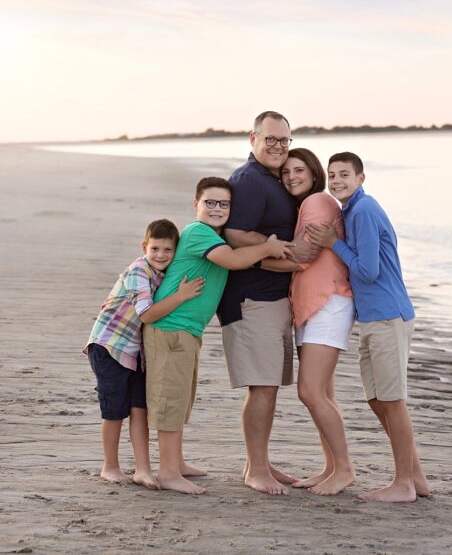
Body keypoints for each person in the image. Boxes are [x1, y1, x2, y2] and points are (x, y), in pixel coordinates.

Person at [142, 177, 290, 494]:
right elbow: (235, 261)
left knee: (182, 398)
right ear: (196, 204)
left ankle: (176, 462)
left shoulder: (214, 237)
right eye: (210, 202)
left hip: (186, 331)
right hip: (170, 327)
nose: (217, 208)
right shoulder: (198, 233)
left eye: (224, 204)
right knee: (170, 400)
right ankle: (167, 472)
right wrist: (269, 245)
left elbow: (237, 257)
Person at [307, 152, 428, 503]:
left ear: (361, 178)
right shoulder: (351, 211)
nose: (337, 181)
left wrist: (334, 245)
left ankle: (403, 483)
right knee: (377, 399)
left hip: (389, 316)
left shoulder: (362, 211)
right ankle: (416, 476)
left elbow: (369, 270)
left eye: (344, 174)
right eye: (332, 175)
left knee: (392, 401)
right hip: (374, 318)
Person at [217, 110, 315, 495]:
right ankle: (255, 469)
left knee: (269, 385)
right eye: (270, 139)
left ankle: (260, 462)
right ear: (252, 138)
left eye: (283, 140)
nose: (277, 146)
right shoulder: (248, 181)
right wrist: (281, 251)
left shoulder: (271, 179)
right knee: (262, 386)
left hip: (271, 297)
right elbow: (233, 232)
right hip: (250, 298)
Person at [83, 219, 203, 488]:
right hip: (109, 346)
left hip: (135, 352)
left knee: (140, 409)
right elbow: (147, 313)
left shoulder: (165, 273)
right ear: (144, 247)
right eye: (155, 249)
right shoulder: (139, 270)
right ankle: (110, 467)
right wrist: (181, 296)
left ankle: (143, 469)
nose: (161, 255)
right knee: (114, 411)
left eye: (168, 250)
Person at [265, 147, 356, 495]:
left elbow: (304, 255)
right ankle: (331, 467)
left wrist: (255, 257)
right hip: (311, 306)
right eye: (286, 172)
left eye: (299, 170)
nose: (291, 177)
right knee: (325, 392)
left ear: (314, 172)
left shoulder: (318, 201)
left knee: (310, 391)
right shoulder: (309, 204)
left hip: (329, 303)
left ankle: (345, 469)